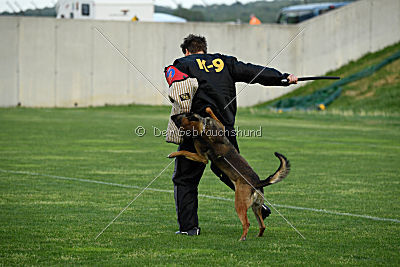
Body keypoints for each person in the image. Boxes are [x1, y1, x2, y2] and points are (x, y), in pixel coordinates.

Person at [164, 34, 297, 236]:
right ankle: (258, 202)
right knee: (233, 172)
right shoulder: (224, 62)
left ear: (187, 51)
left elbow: (176, 83)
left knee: (185, 179)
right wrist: (282, 78)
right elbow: (254, 72)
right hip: (224, 130)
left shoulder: (183, 63)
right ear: (204, 50)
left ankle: (189, 228)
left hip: (197, 129)